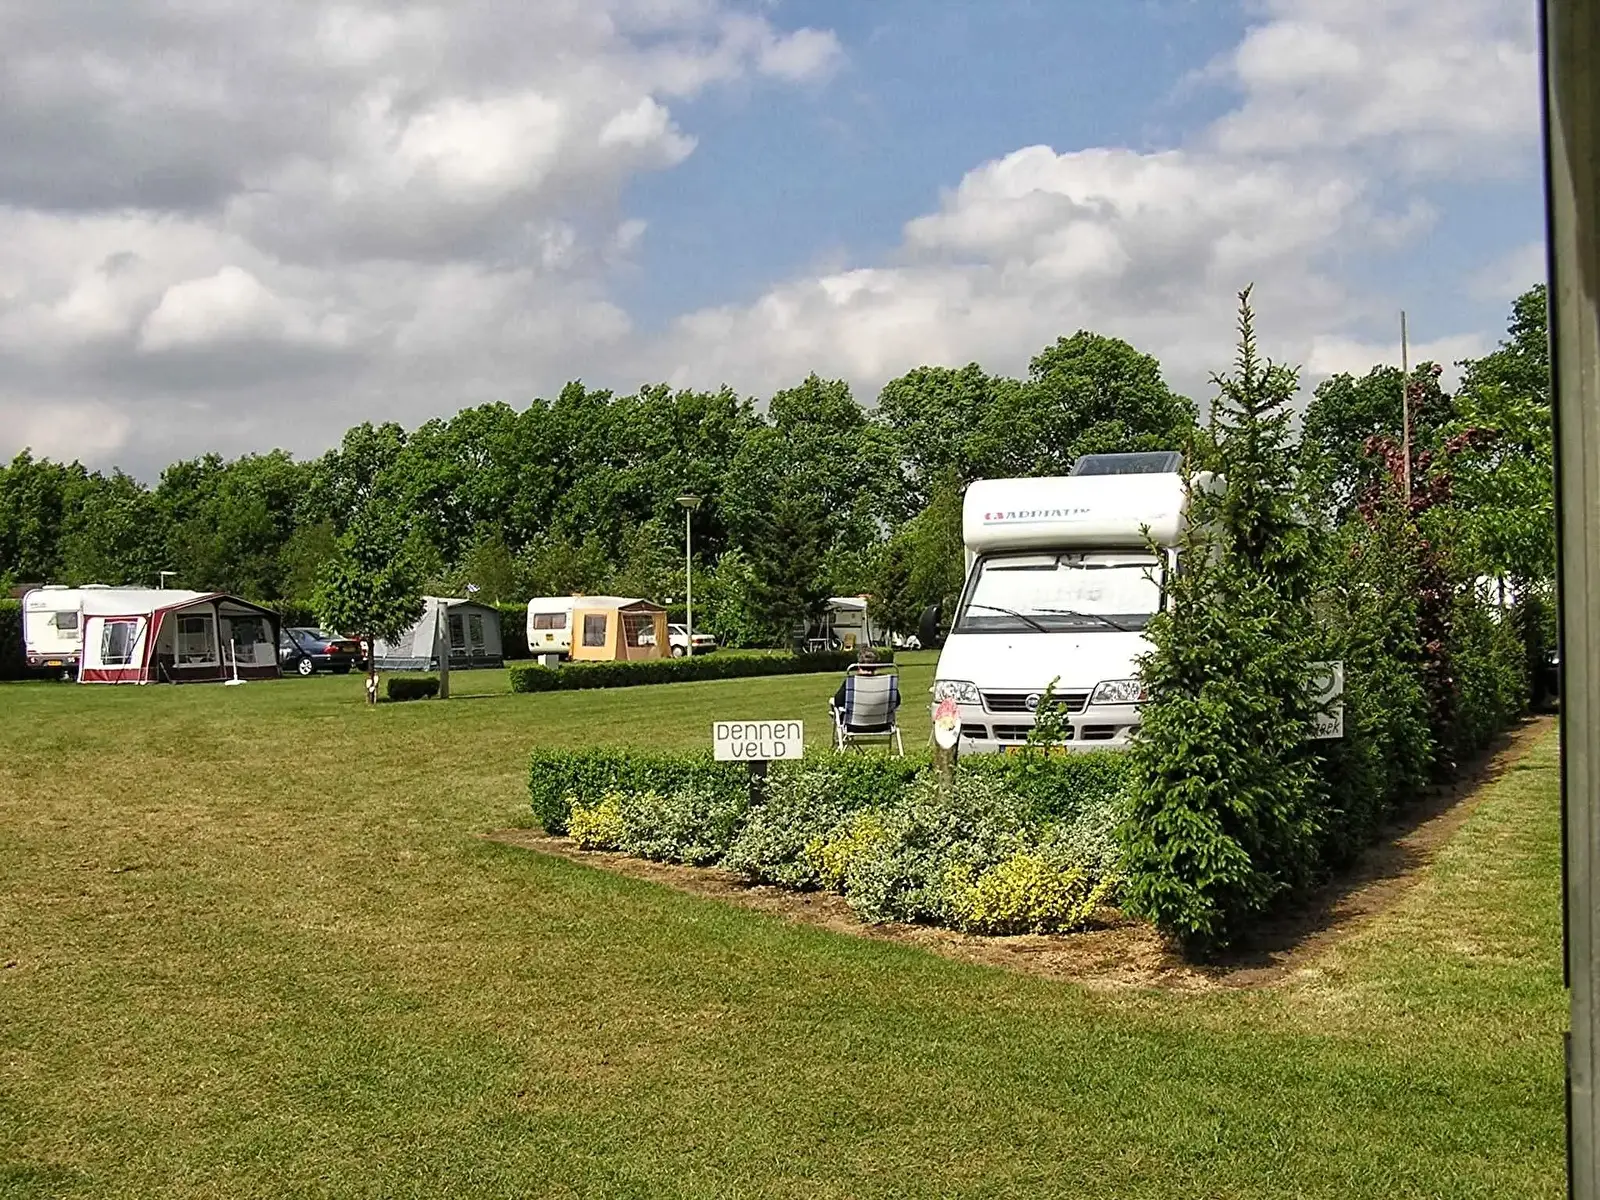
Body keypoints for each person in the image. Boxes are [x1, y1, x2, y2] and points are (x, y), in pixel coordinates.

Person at [831, 647, 900, 732]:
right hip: (883, 725)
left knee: (834, 705)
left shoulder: (851, 683)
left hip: (854, 725)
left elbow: (838, 701)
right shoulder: (887, 682)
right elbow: (897, 701)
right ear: (876, 666)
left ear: (859, 665)